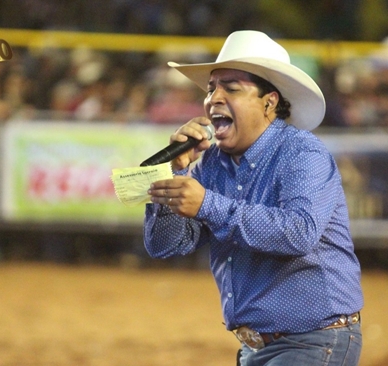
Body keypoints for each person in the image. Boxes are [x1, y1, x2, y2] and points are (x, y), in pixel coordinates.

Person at [144, 30, 364, 366]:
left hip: (314, 341)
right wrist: (176, 172)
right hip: (257, 349)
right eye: (211, 89)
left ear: (269, 101)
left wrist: (207, 203)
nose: (214, 98)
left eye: (231, 88)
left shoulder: (302, 153)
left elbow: (298, 232)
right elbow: (166, 245)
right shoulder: (211, 165)